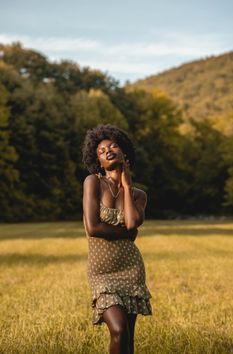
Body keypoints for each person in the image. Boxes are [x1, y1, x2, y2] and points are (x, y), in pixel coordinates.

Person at [82, 124, 152, 354]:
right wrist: (128, 235)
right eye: (101, 151)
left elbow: (132, 222)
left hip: (130, 270)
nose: (107, 151)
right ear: (98, 161)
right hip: (102, 273)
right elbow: (93, 227)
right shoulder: (93, 182)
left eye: (112, 146)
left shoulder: (138, 194)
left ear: (124, 152)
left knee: (128, 340)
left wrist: (127, 185)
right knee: (119, 330)